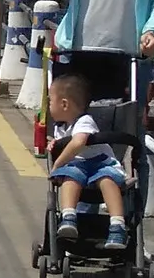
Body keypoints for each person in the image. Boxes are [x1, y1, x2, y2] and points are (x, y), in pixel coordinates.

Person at [45, 66, 129, 255]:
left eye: (51, 102)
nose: (49, 106)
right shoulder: (62, 127)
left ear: (64, 104)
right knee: (70, 178)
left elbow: (79, 142)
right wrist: (55, 144)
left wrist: (58, 163)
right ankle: (68, 217)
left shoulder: (84, 121)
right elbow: (63, 142)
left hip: (101, 163)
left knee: (107, 181)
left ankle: (117, 226)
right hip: (80, 168)